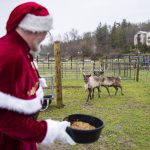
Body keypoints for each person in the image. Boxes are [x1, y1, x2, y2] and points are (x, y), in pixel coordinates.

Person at [0, 2, 75, 150]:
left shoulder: (21, 51)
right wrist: (48, 131)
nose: (45, 37)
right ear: (36, 30)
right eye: (46, 32)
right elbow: (3, 119)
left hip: (20, 138)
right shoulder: (9, 55)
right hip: (8, 141)